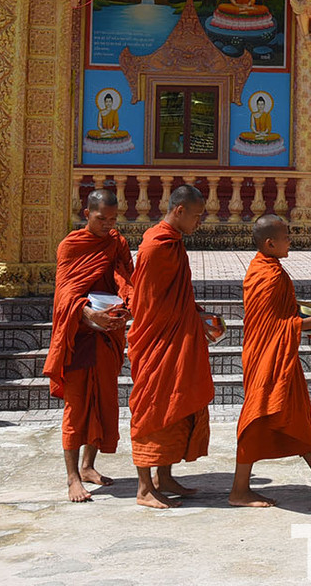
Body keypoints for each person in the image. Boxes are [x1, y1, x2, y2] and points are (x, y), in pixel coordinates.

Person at [230, 214, 311, 506]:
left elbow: (280, 314)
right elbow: (271, 326)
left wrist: (306, 318)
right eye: (286, 236)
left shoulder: (267, 268)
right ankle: (239, 490)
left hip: (278, 354)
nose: (291, 240)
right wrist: (310, 323)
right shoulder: (267, 275)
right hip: (266, 355)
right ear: (270, 243)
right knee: (258, 416)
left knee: (295, 412)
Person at [126, 184, 219, 509]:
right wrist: (184, 320)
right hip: (157, 342)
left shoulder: (173, 243)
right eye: (195, 216)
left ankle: (164, 477)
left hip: (176, 337)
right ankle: (143, 488)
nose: (198, 222)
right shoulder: (155, 246)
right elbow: (147, 304)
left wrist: (196, 316)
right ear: (179, 211)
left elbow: (175, 295)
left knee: (176, 407)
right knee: (151, 409)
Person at [41, 189, 134, 503]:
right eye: (100, 218)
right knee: (77, 407)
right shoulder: (71, 245)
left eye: (112, 219)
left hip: (107, 333)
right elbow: (64, 293)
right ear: (86, 213)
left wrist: (127, 305)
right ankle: (72, 478)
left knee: (102, 399)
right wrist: (86, 311)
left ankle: (89, 465)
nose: (107, 225)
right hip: (78, 334)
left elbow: (125, 278)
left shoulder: (117, 243)